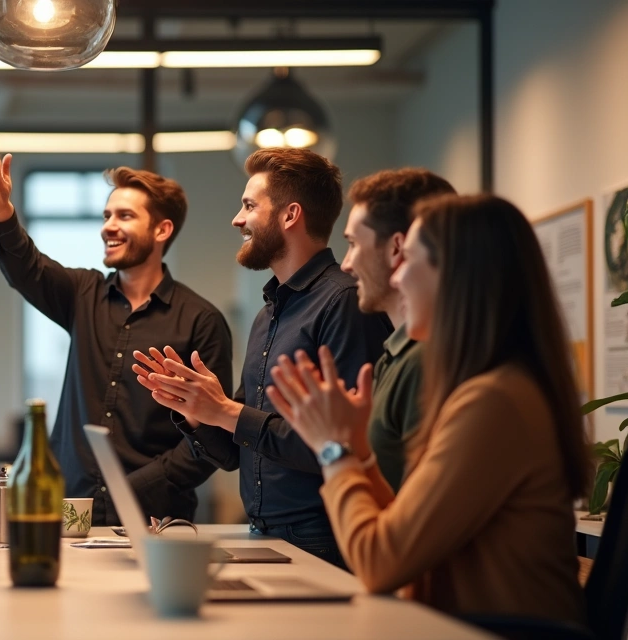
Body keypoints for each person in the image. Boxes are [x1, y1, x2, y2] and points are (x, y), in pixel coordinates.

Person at [266, 194, 589, 627]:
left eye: (410, 260)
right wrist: (358, 453)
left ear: (456, 277)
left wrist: (333, 450)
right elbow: (402, 524)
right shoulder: (491, 389)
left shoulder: (496, 402)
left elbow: (379, 562)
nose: (396, 279)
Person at [133, 148, 390, 567]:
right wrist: (199, 411)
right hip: (267, 535)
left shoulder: (343, 303)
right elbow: (238, 453)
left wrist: (227, 412)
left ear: (290, 216)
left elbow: (335, 444)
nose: (237, 219)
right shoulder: (268, 313)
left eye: (250, 206)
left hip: (321, 539)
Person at [0, 149, 230, 525]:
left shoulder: (201, 320)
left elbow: (213, 441)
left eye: (125, 216)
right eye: (107, 215)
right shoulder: (82, 294)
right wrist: (2, 213)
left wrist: (135, 486)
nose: (108, 226)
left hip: (156, 519)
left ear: (162, 230)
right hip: (70, 513)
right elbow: (26, 267)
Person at [337, 169, 454, 491]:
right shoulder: (397, 353)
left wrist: (334, 448)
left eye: (352, 243)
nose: (346, 264)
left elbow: (413, 520)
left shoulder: (425, 360)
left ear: (396, 249)